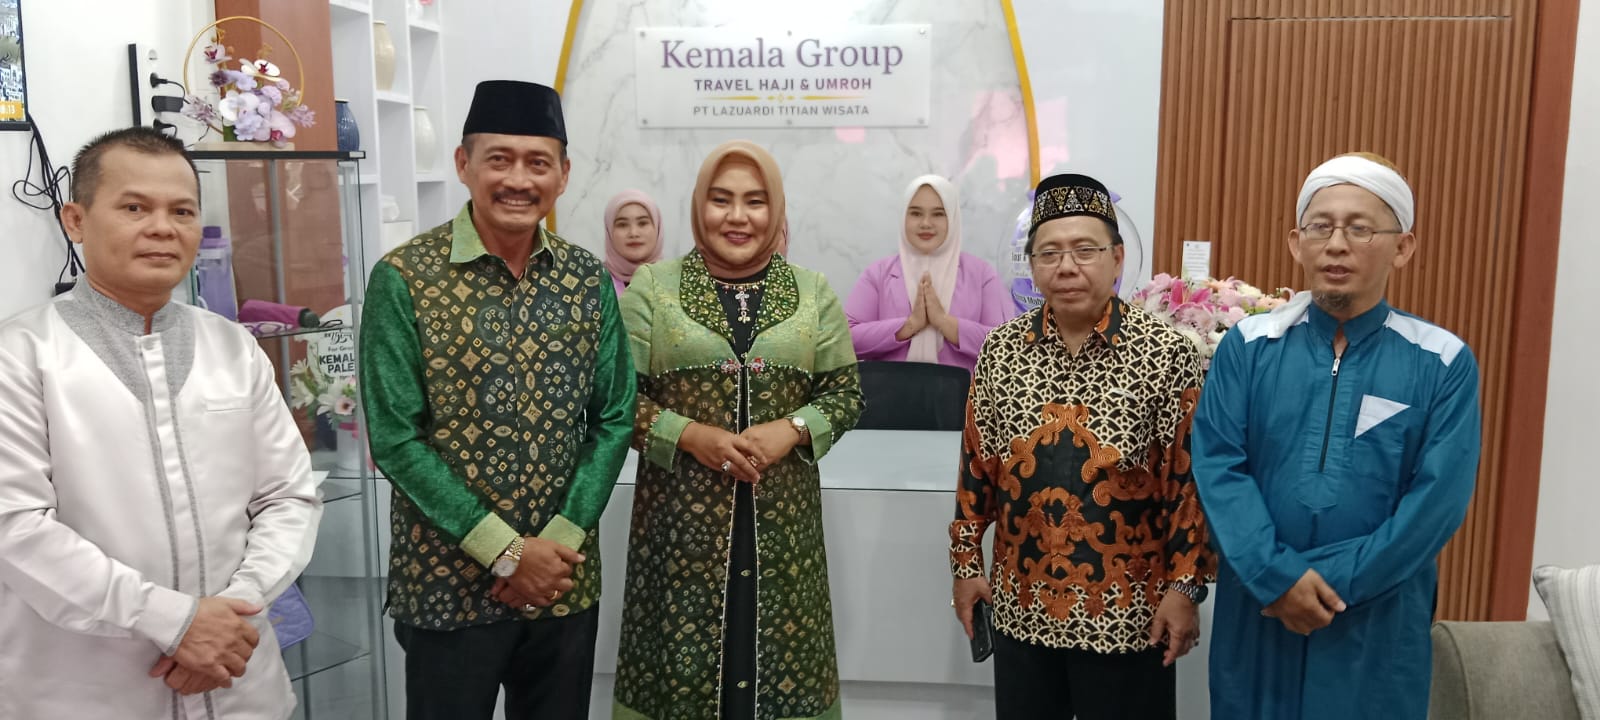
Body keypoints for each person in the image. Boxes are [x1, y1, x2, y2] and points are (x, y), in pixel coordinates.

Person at [0, 126, 321, 718]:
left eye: (182, 211)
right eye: (133, 208)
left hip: (237, 675)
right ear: (75, 220)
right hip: (86, 689)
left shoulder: (232, 348)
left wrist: (233, 612)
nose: (162, 228)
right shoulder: (21, 355)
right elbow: (15, 527)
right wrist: (174, 622)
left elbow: (289, 497)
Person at [359, 80, 636, 720]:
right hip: (447, 585)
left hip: (561, 584)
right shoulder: (404, 278)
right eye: (499, 159)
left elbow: (615, 415)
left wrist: (556, 543)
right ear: (464, 164)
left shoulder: (585, 278)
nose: (518, 179)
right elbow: (396, 439)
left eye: (538, 162)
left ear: (563, 175)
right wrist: (508, 553)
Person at [1192, 152, 1481, 720]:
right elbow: (1219, 467)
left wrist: (1332, 583)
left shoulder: (1442, 360)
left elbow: (1437, 501)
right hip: (1261, 611)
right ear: (1297, 243)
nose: (1337, 244)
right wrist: (1277, 578)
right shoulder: (1248, 348)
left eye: (1360, 228)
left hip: (1374, 620)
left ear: (1403, 247)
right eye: (1321, 227)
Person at [613, 140, 863, 720]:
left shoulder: (812, 292)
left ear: (775, 209)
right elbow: (617, 400)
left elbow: (845, 394)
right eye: (721, 199)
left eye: (755, 201)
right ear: (699, 205)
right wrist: (688, 435)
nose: (737, 216)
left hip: (784, 530)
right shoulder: (654, 288)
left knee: (780, 663)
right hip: (680, 529)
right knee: (681, 668)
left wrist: (794, 428)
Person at [950, 173, 1214, 720]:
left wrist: (1185, 588)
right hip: (1022, 607)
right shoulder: (1001, 350)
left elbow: (1187, 486)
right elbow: (977, 469)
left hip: (1129, 616)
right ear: (1032, 265)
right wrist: (965, 564)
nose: (1066, 266)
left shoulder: (1166, 353)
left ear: (1117, 258)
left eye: (1085, 250)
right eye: (1049, 253)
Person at [845, 175, 1013, 374]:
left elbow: (1007, 346)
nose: (926, 223)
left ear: (952, 217)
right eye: (916, 213)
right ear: (903, 217)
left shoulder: (981, 274)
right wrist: (909, 325)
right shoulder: (878, 274)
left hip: (965, 393)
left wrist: (943, 322)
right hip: (887, 391)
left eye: (938, 214)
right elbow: (846, 339)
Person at [603, 189, 664, 296]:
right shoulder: (594, 283)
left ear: (657, 228)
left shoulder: (677, 282)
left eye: (643, 223)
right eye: (622, 225)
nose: (633, 233)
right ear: (609, 231)